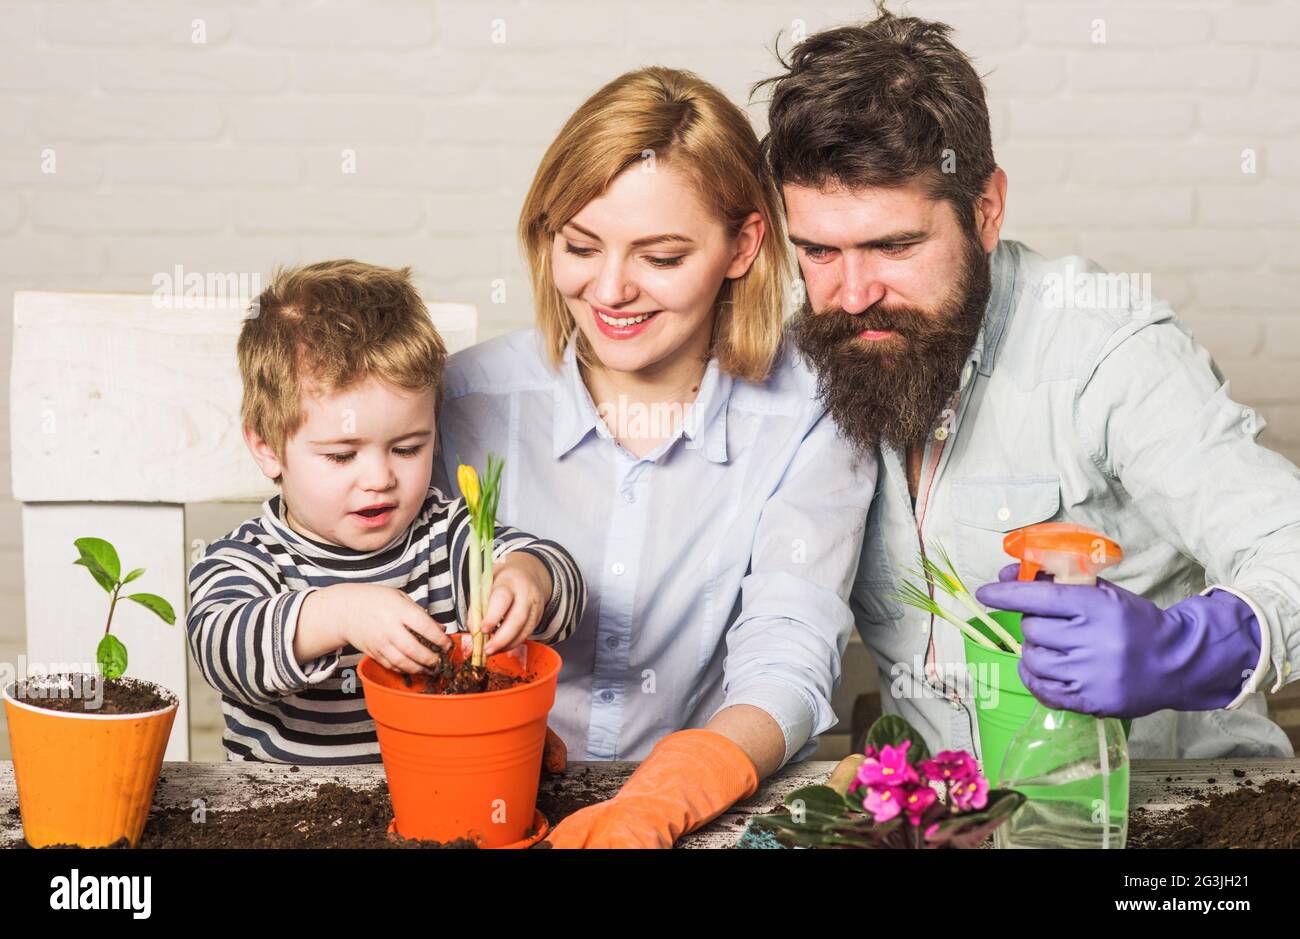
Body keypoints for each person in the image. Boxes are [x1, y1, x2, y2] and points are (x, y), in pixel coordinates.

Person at [755, 8, 1299, 762]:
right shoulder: (815, 360)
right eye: (818, 250)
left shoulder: (1103, 347)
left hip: (1167, 808)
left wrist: (1192, 647)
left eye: (895, 245)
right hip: (951, 817)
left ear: (985, 211)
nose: (852, 294)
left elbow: (1288, 539)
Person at [437, 66, 876, 846]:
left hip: (711, 813)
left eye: (661, 257)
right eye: (579, 245)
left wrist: (663, 799)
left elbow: (789, 653)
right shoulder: (464, 401)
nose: (609, 289)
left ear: (744, 245)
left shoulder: (814, 409)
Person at [186, 259, 586, 763]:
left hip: (439, 802)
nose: (379, 479)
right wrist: (338, 613)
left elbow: (560, 578)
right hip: (287, 811)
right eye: (341, 455)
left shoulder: (444, 537)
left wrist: (530, 577)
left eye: (407, 448)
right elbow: (223, 648)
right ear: (266, 447)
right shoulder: (248, 559)